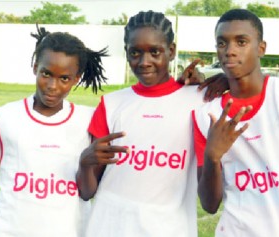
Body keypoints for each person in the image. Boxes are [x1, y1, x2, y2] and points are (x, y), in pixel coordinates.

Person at [0, 25, 109, 237]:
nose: (52, 86)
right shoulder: (5, 116)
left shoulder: (89, 120)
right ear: (35, 67)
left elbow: (89, 190)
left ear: (76, 78)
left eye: (64, 78)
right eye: (46, 73)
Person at [76, 10, 217, 237]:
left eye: (155, 52)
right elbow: (86, 191)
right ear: (127, 53)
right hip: (108, 227)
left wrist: (217, 79)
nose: (144, 62)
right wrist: (84, 164)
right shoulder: (112, 104)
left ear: (171, 51)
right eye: (135, 52)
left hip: (168, 228)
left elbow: (245, 88)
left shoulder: (199, 101)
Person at [193, 9, 279, 237]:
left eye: (241, 42)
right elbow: (209, 204)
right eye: (222, 43)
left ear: (261, 48)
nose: (230, 51)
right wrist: (212, 157)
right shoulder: (206, 113)